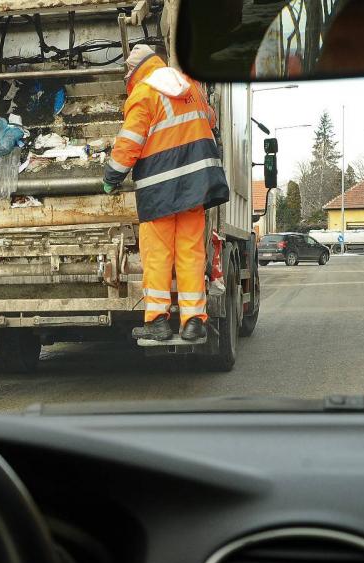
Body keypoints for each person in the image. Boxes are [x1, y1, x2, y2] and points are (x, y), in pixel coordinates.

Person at [103, 45, 230, 342]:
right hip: (195, 188)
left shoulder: (143, 94)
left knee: (158, 256)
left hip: (160, 191)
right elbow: (210, 120)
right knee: (190, 254)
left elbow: (130, 142)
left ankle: (158, 321)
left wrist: (112, 176)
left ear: (136, 72)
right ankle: (193, 322)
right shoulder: (189, 87)